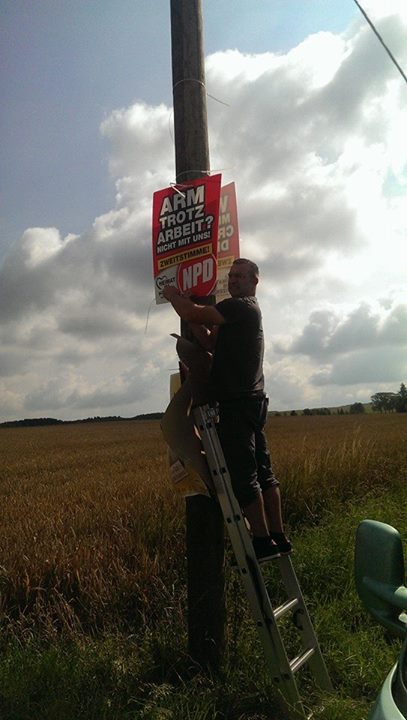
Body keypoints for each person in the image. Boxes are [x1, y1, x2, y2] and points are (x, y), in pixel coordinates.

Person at [163, 258, 291, 561]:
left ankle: (260, 542)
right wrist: (193, 321)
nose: (233, 280)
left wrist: (172, 296)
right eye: (231, 276)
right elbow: (210, 344)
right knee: (264, 472)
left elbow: (191, 311)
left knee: (243, 475)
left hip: (236, 402)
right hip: (253, 400)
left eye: (240, 276)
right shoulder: (240, 313)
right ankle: (277, 536)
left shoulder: (240, 305)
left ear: (254, 281)